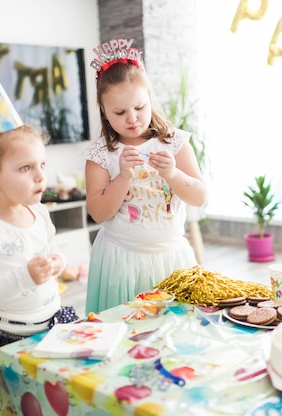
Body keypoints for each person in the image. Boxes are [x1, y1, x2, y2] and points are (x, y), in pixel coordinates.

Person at [0, 64, 78, 375]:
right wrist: (24, 278)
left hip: (51, 321)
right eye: (25, 168)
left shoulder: (41, 212)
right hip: (7, 336)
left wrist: (57, 262)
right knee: (8, 403)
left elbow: (46, 250)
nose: (41, 176)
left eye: (42, 164)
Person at [83, 39, 208, 314]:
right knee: (125, 328)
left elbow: (199, 197)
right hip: (121, 260)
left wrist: (173, 174)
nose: (132, 118)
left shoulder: (174, 142)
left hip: (171, 257)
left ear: (150, 99)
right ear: (103, 111)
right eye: (119, 112)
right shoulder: (101, 154)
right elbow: (98, 213)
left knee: (175, 330)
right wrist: (123, 178)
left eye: (139, 107)